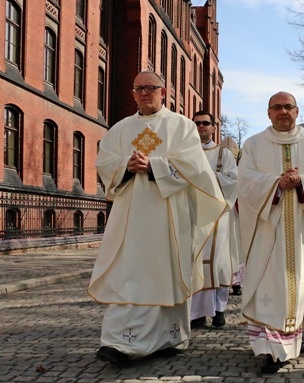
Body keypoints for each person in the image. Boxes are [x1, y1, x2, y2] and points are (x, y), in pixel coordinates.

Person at [88, 71, 226, 366]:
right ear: (133, 93)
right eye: (139, 88)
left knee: (164, 271)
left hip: (169, 215)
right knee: (129, 271)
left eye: (151, 88)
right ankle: (120, 342)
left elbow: (194, 168)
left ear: (163, 92)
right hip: (130, 214)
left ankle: (170, 337)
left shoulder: (182, 126)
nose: (145, 93)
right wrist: (126, 164)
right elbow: (104, 162)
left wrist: (154, 166)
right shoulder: (121, 128)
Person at [237, 91, 304, 374]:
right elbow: (244, 184)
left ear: (297, 111)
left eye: (288, 107)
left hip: (303, 232)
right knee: (271, 287)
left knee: (297, 285)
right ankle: (272, 348)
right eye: (277, 107)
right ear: (268, 113)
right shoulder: (254, 144)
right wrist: (276, 184)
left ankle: (290, 341)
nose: (283, 112)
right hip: (266, 231)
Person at [189, 111, 238, 329]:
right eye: (197, 123)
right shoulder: (186, 152)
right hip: (192, 214)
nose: (201, 127)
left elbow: (234, 181)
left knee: (217, 263)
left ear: (213, 127)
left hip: (218, 215)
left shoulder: (223, 154)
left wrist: (210, 176)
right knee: (194, 263)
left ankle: (219, 309)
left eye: (205, 124)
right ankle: (196, 313)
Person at [221, 136, 244, 296]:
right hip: (219, 210)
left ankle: (236, 281)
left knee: (236, 247)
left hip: (235, 214)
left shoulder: (243, 171)